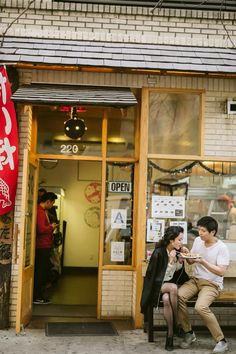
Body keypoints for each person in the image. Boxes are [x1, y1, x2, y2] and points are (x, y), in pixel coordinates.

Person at [178, 216, 230, 354]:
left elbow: (221, 271)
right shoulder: (197, 241)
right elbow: (192, 261)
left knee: (200, 307)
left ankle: (221, 341)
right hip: (195, 280)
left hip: (212, 284)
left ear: (212, 232)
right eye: (199, 230)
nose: (200, 233)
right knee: (178, 297)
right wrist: (186, 255)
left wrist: (203, 262)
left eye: (203, 231)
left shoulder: (222, 248)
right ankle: (189, 333)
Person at [140, 226, 189, 351]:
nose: (181, 242)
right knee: (172, 288)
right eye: (179, 239)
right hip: (156, 287)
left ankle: (170, 335)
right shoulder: (159, 252)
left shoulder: (177, 251)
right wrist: (171, 261)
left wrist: (180, 261)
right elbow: (155, 278)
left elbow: (176, 274)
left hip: (167, 289)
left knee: (167, 299)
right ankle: (178, 324)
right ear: (171, 241)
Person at [33, 192, 58, 304]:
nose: (52, 205)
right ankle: (37, 296)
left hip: (44, 245)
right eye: (52, 202)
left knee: (43, 271)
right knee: (41, 272)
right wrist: (51, 227)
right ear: (48, 201)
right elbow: (41, 229)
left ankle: (39, 295)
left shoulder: (43, 211)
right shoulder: (40, 212)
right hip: (42, 246)